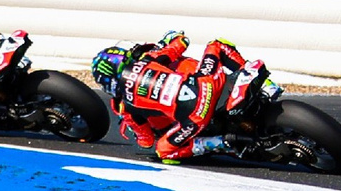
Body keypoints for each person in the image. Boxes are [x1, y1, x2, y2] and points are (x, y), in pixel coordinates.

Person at [92, 33, 263, 164]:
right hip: (207, 83)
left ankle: (221, 142)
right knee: (216, 45)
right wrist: (168, 39)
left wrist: (131, 127)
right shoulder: (149, 58)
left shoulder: (126, 107)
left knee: (163, 151)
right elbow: (181, 42)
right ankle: (249, 73)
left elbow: (146, 141)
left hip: (195, 118)